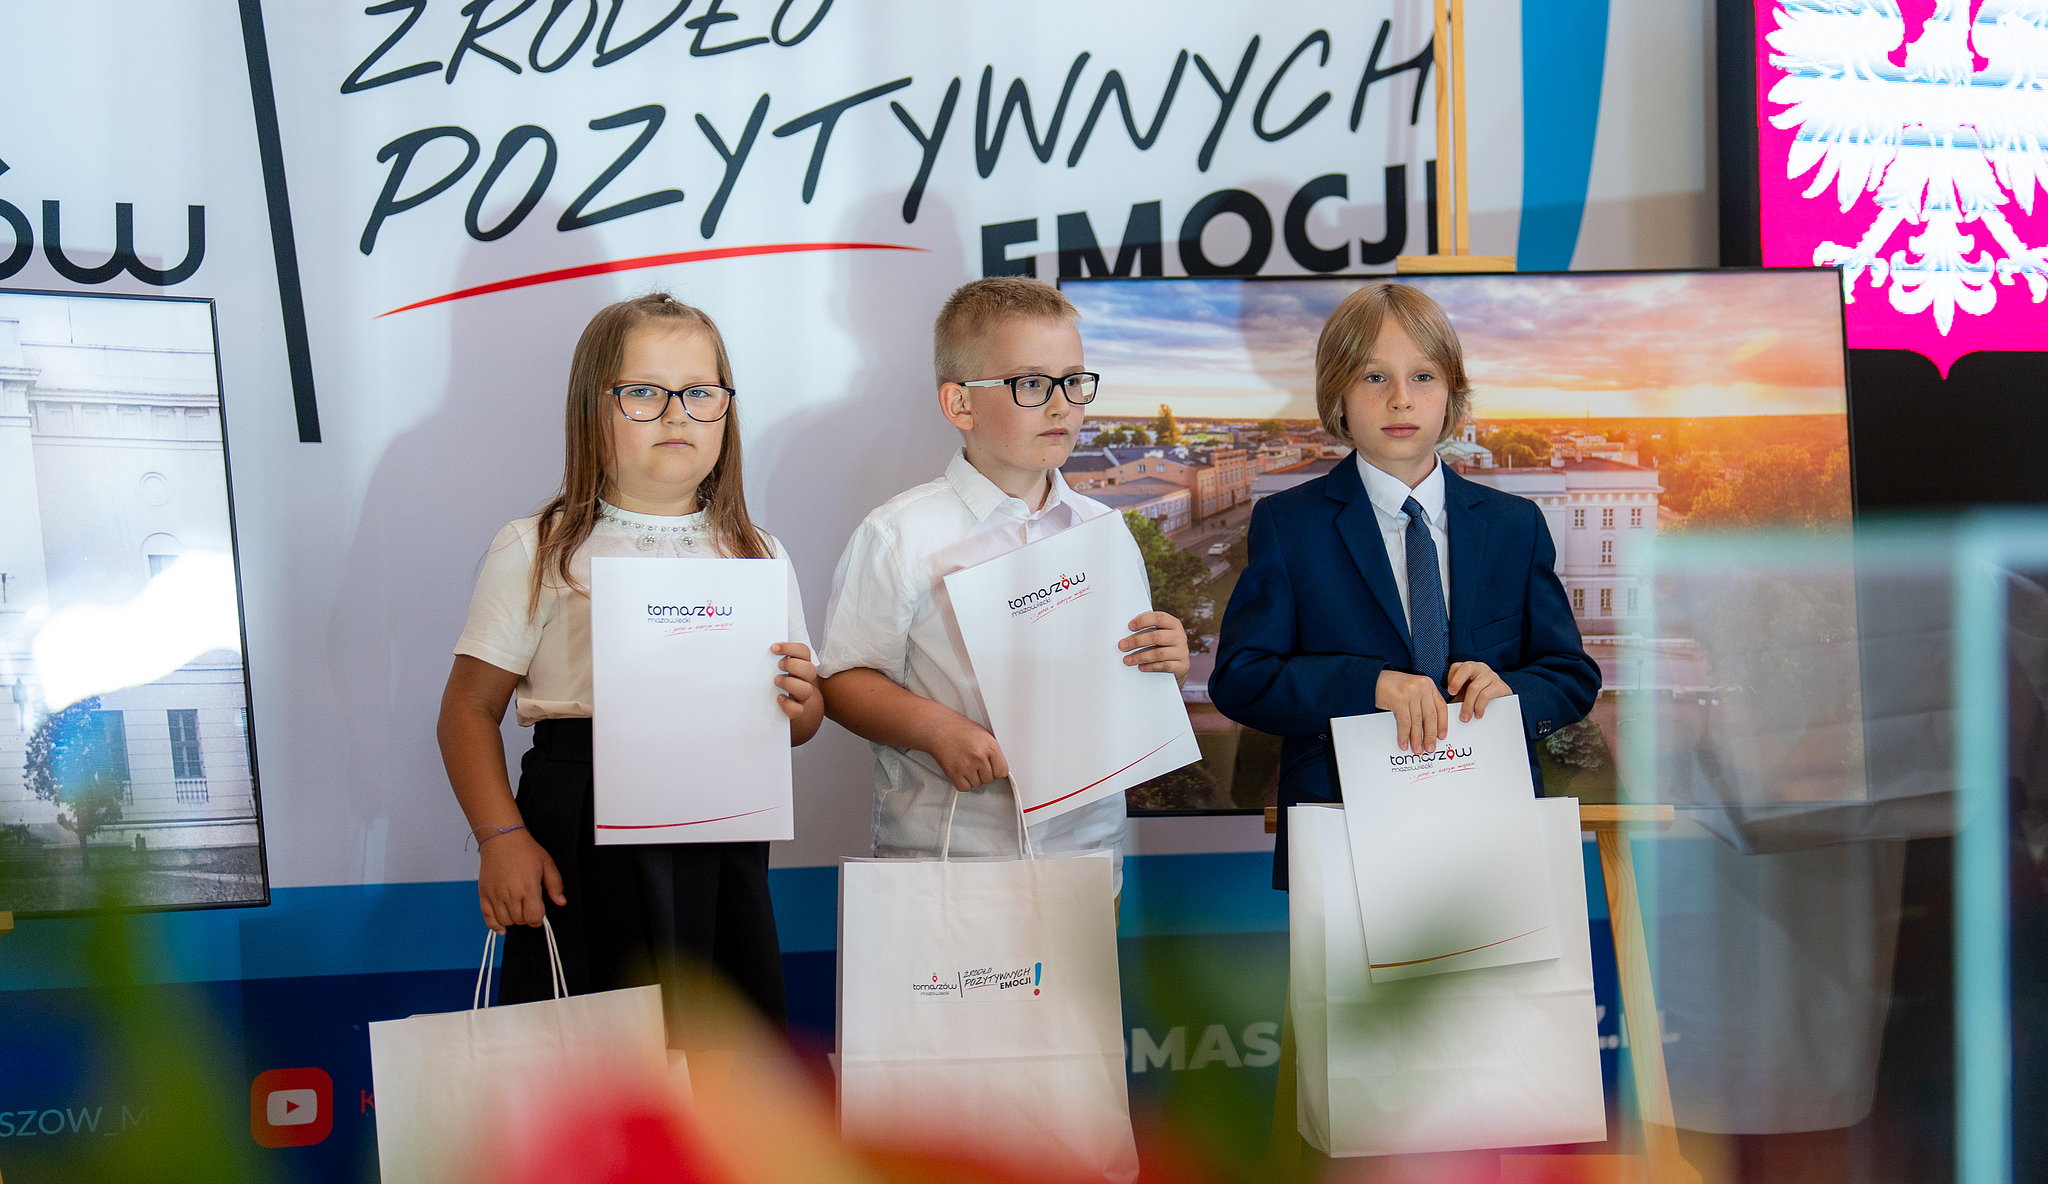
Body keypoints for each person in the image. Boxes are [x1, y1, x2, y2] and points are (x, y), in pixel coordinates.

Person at [436, 292, 820, 1027]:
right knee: (592, 1045)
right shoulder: (538, 547)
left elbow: (797, 725)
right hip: (580, 828)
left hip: (720, 830)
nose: (677, 415)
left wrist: (805, 704)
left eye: (700, 393)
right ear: (592, 409)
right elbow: (467, 710)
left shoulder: (758, 552)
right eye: (644, 392)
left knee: (723, 1050)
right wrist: (502, 839)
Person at [1210, 281, 1599, 886]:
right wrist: (1369, 686)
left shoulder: (1513, 525)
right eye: (1374, 377)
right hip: (1344, 830)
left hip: (1492, 827)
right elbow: (1242, 679)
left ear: (1452, 396)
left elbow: (1571, 674)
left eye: (1423, 377)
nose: (1400, 399)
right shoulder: (1289, 525)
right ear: (1337, 395)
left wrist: (1510, 691)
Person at [818, 276, 1190, 880]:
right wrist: (936, 727)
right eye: (1032, 384)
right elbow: (843, 681)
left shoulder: (1105, 529)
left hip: (1090, 853)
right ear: (960, 405)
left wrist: (1164, 657)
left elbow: (1128, 666)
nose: (1061, 405)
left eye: (1074, 381)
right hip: (953, 854)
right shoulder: (899, 534)